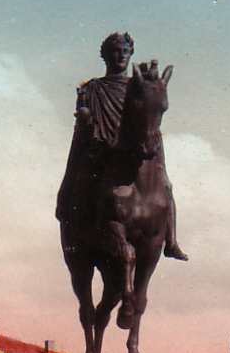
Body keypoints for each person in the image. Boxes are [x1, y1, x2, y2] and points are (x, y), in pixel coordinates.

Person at [55, 31, 187, 262]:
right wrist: (85, 118)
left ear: (131, 53)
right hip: (103, 151)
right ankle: (82, 234)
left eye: (125, 51)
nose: (121, 56)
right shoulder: (93, 88)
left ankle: (171, 241)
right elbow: (83, 131)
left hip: (138, 146)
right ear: (106, 56)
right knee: (84, 183)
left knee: (164, 185)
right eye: (115, 51)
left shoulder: (138, 86)